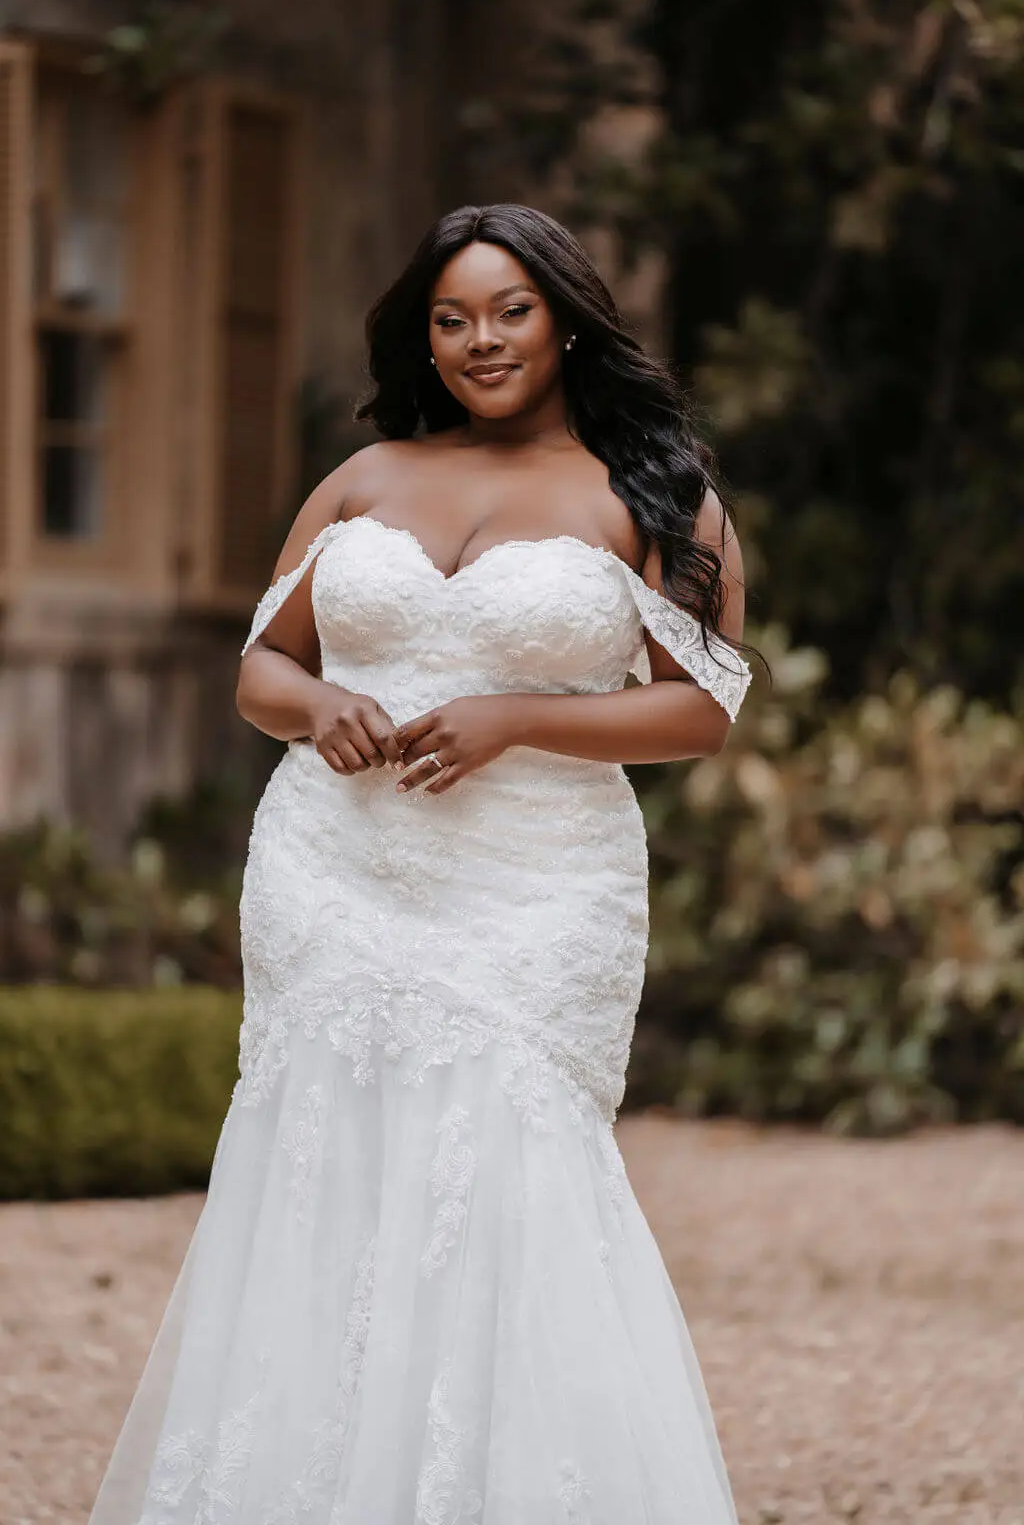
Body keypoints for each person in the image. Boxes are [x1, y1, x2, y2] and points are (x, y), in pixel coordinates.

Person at [88, 203, 751, 1525]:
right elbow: (262, 668)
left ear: (563, 317)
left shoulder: (653, 493)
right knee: (322, 1158)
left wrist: (520, 720)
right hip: (334, 872)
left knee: (516, 1165)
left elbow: (707, 706)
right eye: (452, 319)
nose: (479, 341)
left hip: (538, 885)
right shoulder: (365, 478)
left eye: (508, 311)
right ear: (425, 335)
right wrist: (316, 706)